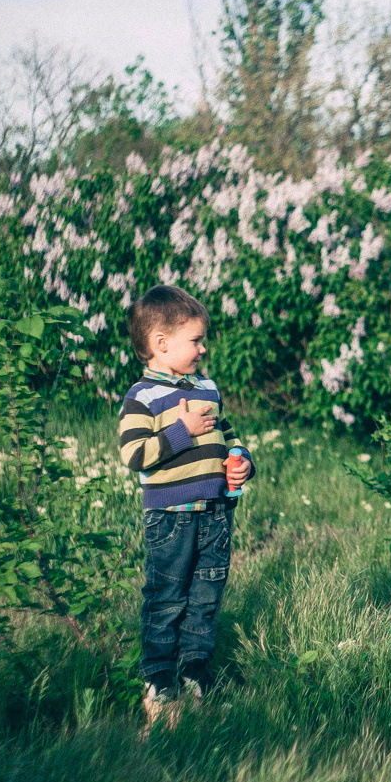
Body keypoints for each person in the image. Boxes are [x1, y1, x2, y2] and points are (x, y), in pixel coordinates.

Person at [119, 285, 254, 716]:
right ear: (161, 343)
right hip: (170, 517)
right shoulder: (142, 397)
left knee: (205, 595)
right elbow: (134, 455)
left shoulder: (207, 388)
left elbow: (229, 435)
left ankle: (195, 668)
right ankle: (160, 676)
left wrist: (241, 461)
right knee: (167, 596)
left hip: (216, 512)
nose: (203, 348)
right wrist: (183, 431)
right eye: (195, 340)